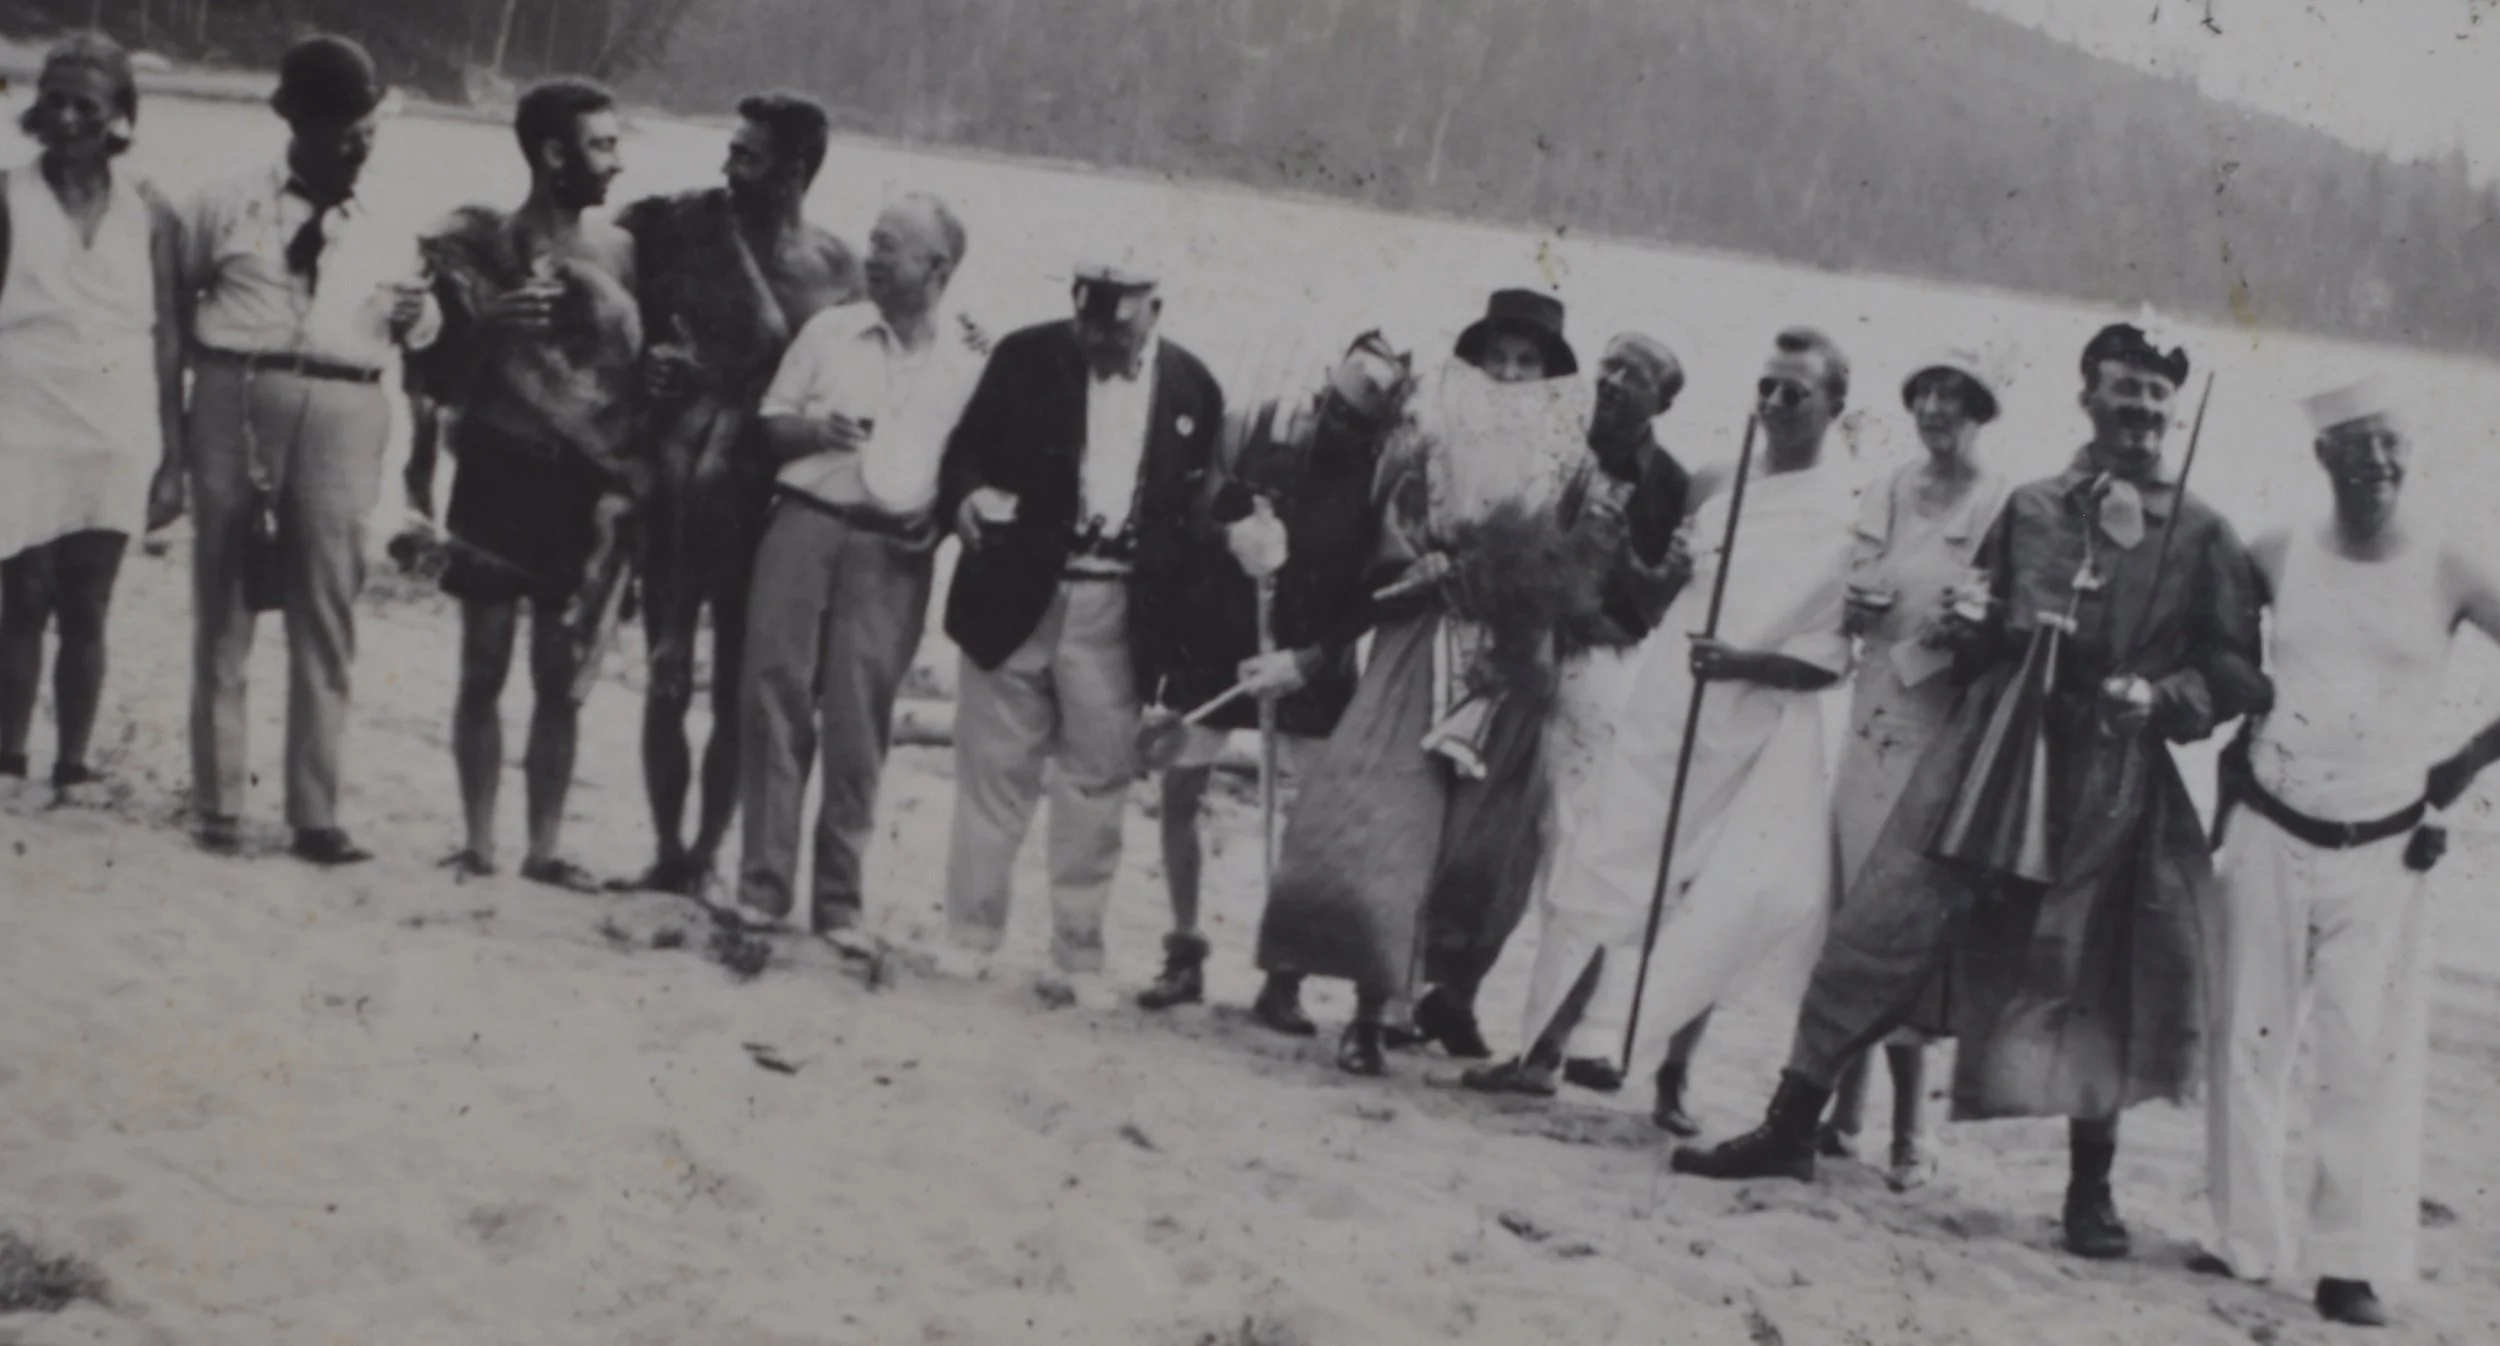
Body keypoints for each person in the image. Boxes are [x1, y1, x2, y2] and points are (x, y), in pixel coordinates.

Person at [1671, 322, 2269, 1269]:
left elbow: (2238, 672)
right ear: (2089, 400)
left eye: (2158, 396)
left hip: (2112, 776)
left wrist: (2164, 698)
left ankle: (2090, 1191)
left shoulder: (2201, 534)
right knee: (1884, 917)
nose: (2144, 411)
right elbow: (1977, 628)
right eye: (2126, 391)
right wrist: (1976, 620)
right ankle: (1791, 1125)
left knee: (2092, 971)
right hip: (1990, 751)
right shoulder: (2031, 506)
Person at [2194, 377, 2500, 1328]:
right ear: (2322, 457)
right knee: (2248, 1040)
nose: (2377, 466)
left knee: (2362, 1056)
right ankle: (2242, 1238)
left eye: (2392, 447)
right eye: (2356, 449)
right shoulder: (2278, 553)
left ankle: (2349, 1264)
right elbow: (2216, 653)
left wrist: (2462, 765)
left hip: (2385, 845)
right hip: (2272, 827)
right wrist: (2232, 761)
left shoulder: (2448, 565)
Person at [1499, 328, 1856, 1126]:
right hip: (1670, 705)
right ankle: (1545, 1048)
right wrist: (1624, 557)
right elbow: (1664, 599)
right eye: (1764, 387)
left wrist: (1745, 665)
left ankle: (1671, 1077)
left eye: (1793, 393)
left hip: (1757, 722)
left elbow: (1831, 659)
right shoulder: (1715, 483)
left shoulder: (1842, 512)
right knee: (1613, 857)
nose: (1771, 405)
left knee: (1716, 894)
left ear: (1835, 406)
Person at [1254, 288, 1594, 1074]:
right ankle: (1368, 1013)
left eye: (1526, 361)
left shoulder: (1573, 464)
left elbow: (1574, 571)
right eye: (1497, 358)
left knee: (1474, 843)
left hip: (1505, 659)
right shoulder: (1427, 444)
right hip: (1418, 640)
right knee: (1386, 817)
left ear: (1547, 375)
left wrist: (1523, 582)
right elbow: (1381, 544)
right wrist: (1419, 562)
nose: (1509, 375)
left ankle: (1430, 996)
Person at [179, 34, 439, 862]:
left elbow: (423, 323)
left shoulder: (394, 213)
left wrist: (418, 320)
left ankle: (315, 813)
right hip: (238, 394)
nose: (359, 144)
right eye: (342, 129)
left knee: (327, 604)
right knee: (224, 593)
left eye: (367, 128)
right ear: (297, 122)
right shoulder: (224, 201)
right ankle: (218, 802)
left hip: (348, 402)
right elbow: (175, 298)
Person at [936, 265, 1225, 998]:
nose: (1097, 337)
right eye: (1086, 320)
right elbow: (964, 450)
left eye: (1117, 325)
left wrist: (1182, 649)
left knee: (1097, 785)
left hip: (1118, 606)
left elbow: (1198, 518)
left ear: (1155, 309)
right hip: (1014, 593)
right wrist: (965, 496)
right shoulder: (1024, 356)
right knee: (992, 774)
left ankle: (1078, 954)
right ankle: (970, 936)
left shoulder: (1195, 387)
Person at [608, 92, 867, 897]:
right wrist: (648, 361)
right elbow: (610, 287)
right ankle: (663, 849)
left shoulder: (836, 271)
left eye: (748, 155)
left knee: (738, 688)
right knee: (667, 670)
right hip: (682, 482)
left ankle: (707, 856)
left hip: (766, 496)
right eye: (731, 147)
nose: (727, 165)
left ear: (794, 172)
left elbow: (856, 379)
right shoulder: (676, 223)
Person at [1133, 333, 1417, 1015]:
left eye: (1360, 422)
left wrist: (1309, 660)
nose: (1341, 428)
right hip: (1215, 640)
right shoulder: (1254, 428)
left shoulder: (1386, 474)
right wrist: (1230, 535)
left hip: (1309, 656)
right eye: (1334, 410)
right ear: (1321, 392)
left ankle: (1284, 968)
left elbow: (1383, 586)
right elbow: (1191, 505)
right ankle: (1183, 947)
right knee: (1181, 790)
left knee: (1314, 814)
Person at [1452, 331, 1702, 1097]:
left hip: (1598, 669)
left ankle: (1546, 1048)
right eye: (1609, 368)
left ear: (1662, 400)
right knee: (1479, 830)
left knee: (1574, 850)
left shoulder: (1668, 484)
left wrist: (1623, 554)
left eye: (1636, 376)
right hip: (1522, 654)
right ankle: (1443, 996)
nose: (1614, 382)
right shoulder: (1557, 446)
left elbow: (1659, 601)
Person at [730, 193, 982, 937]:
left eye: (889, 246)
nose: (869, 255)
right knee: (772, 701)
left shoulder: (969, 364)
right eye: (871, 240)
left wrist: (936, 525)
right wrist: (813, 430)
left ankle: (839, 903)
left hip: (892, 552)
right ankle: (763, 891)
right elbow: (769, 425)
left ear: (936, 268)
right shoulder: (829, 331)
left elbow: (968, 469)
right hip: (805, 526)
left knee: (859, 721)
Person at [420, 79, 642, 890]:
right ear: (553, 154)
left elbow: (630, 382)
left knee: (561, 676)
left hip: (579, 485)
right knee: (482, 667)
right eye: (602, 145)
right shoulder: (483, 247)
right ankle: (479, 842)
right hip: (496, 469)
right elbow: (435, 376)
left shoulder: (620, 252)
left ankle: (543, 849)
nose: (615, 162)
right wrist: (487, 327)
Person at [1814, 348, 2014, 1190]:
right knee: (1850, 904)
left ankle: (1910, 1129)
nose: (1937, 410)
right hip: (1869, 718)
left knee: (1908, 924)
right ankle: (1843, 1111)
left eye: (1955, 398)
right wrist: (1855, 607)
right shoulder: (1888, 489)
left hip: (1938, 729)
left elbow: (2007, 626)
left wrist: (1970, 632)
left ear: (1980, 410)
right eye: (1925, 394)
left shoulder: (2002, 504)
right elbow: (1854, 590)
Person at [0, 34, 183, 802]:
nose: (69, 117)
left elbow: (170, 335)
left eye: (89, 104)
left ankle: (73, 763)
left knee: (89, 600)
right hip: (21, 412)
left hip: (115, 421)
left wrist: (174, 456)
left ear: (120, 116)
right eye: (56, 99)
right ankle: (8, 757)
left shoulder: (150, 209)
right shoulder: (7, 195)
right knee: (22, 593)